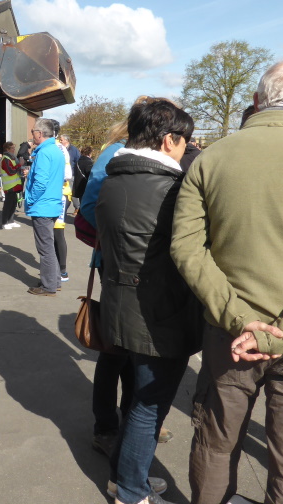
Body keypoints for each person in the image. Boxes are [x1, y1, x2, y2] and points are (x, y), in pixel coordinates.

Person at [171, 60, 283, 504]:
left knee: (215, 447)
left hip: (230, 335)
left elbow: (187, 249)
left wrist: (240, 319)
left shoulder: (210, 158)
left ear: (256, 100)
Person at [96, 99, 199, 504]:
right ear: (168, 139)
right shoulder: (171, 189)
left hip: (121, 303)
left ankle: (123, 475)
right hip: (160, 312)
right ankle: (131, 489)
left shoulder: (113, 178)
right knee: (148, 405)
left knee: (139, 398)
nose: (186, 150)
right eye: (184, 142)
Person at [24, 118, 65, 296]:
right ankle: (54, 281)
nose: (32, 134)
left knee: (45, 249)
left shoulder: (44, 153)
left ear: (39, 134)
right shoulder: (56, 150)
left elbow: (40, 183)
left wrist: (31, 199)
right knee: (49, 247)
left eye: (33, 131)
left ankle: (48, 286)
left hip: (43, 206)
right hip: (52, 204)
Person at [52, 122, 73, 282]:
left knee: (58, 232)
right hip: (57, 194)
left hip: (59, 194)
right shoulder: (56, 147)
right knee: (53, 232)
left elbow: (67, 174)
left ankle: (63, 270)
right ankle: (56, 267)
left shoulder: (58, 148)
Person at [0, 142, 22, 229]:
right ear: (7, 149)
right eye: (12, 148)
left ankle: (11, 221)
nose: (14, 149)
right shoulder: (6, 159)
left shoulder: (12, 158)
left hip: (15, 185)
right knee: (8, 205)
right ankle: (5, 223)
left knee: (13, 204)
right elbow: (11, 171)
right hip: (9, 186)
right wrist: (20, 164)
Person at [72, 145, 94, 214]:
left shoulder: (78, 162)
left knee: (82, 203)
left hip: (79, 186)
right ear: (90, 153)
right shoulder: (89, 163)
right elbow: (90, 174)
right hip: (86, 186)